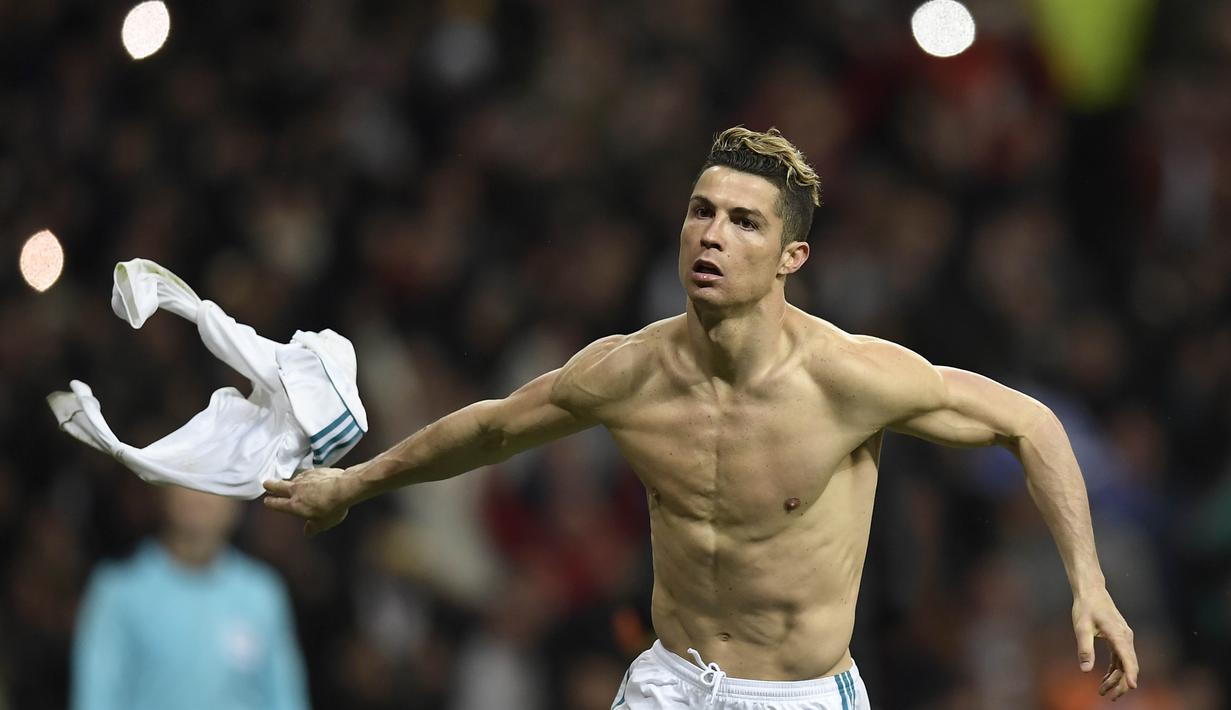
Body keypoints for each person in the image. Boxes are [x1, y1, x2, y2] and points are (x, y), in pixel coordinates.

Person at [263, 126, 1139, 708]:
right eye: (701, 211)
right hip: (669, 684)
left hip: (800, 697)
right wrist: (354, 483)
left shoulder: (848, 378)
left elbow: (1030, 424)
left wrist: (1088, 581)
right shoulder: (627, 373)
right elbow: (492, 427)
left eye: (744, 222)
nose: (712, 234)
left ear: (791, 256)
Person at [73, 486, 309, 710]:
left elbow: (286, 698)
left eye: (217, 480)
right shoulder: (119, 590)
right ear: (162, 491)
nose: (200, 494)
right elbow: (96, 699)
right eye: (189, 477)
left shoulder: (262, 593)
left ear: (239, 499)